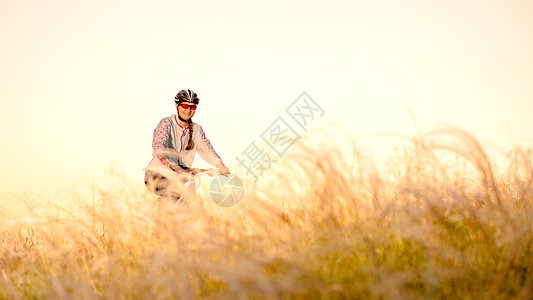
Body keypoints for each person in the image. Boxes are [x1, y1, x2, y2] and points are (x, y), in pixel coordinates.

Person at [144, 89, 230, 204]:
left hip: (180, 176)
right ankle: (162, 218)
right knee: (174, 197)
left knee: (193, 202)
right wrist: (162, 157)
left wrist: (220, 164)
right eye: (185, 106)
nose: (188, 110)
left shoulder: (196, 130)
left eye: (192, 107)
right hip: (157, 174)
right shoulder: (166, 123)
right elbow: (159, 141)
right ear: (177, 105)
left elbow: (206, 148)